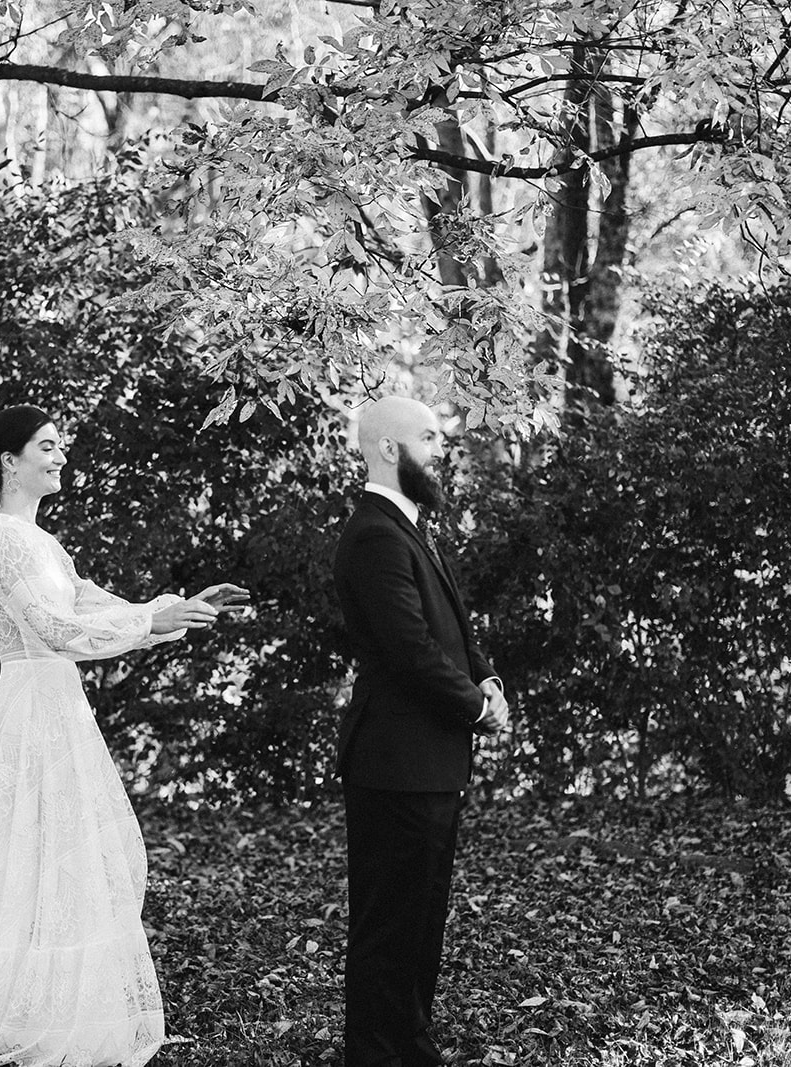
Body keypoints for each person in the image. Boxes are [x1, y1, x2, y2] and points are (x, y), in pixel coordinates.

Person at [0, 404, 248, 1067]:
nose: (61, 455)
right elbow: (56, 629)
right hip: (34, 704)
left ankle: (54, 1001)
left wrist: (171, 608)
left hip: (57, 704)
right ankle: (16, 1008)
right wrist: (154, 625)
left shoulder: (42, 542)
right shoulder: (3, 540)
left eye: (60, 444)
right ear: (9, 461)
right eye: (46, 445)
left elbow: (87, 600)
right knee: (35, 856)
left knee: (63, 858)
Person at [331, 395, 510, 1067]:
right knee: (389, 925)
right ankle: (377, 1054)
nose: (440, 450)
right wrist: (477, 706)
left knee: (422, 921)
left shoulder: (408, 526)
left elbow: (451, 628)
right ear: (388, 448)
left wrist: (485, 676)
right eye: (429, 438)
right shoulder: (374, 532)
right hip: (394, 761)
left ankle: (410, 1046)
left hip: (427, 761)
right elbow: (410, 649)